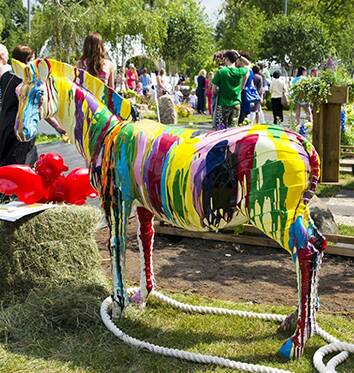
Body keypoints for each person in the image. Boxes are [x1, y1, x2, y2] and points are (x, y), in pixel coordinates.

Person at [0, 44, 65, 168]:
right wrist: (57, 126)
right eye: (33, 59)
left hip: (5, 127)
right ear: (27, 60)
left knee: (6, 167)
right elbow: (36, 107)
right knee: (22, 168)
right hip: (21, 128)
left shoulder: (6, 77)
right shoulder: (26, 81)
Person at [212, 50, 251, 130]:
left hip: (222, 104)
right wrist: (239, 55)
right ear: (236, 60)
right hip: (236, 103)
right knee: (233, 128)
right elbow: (249, 64)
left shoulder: (221, 72)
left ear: (226, 59)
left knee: (220, 127)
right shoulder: (240, 71)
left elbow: (214, 90)